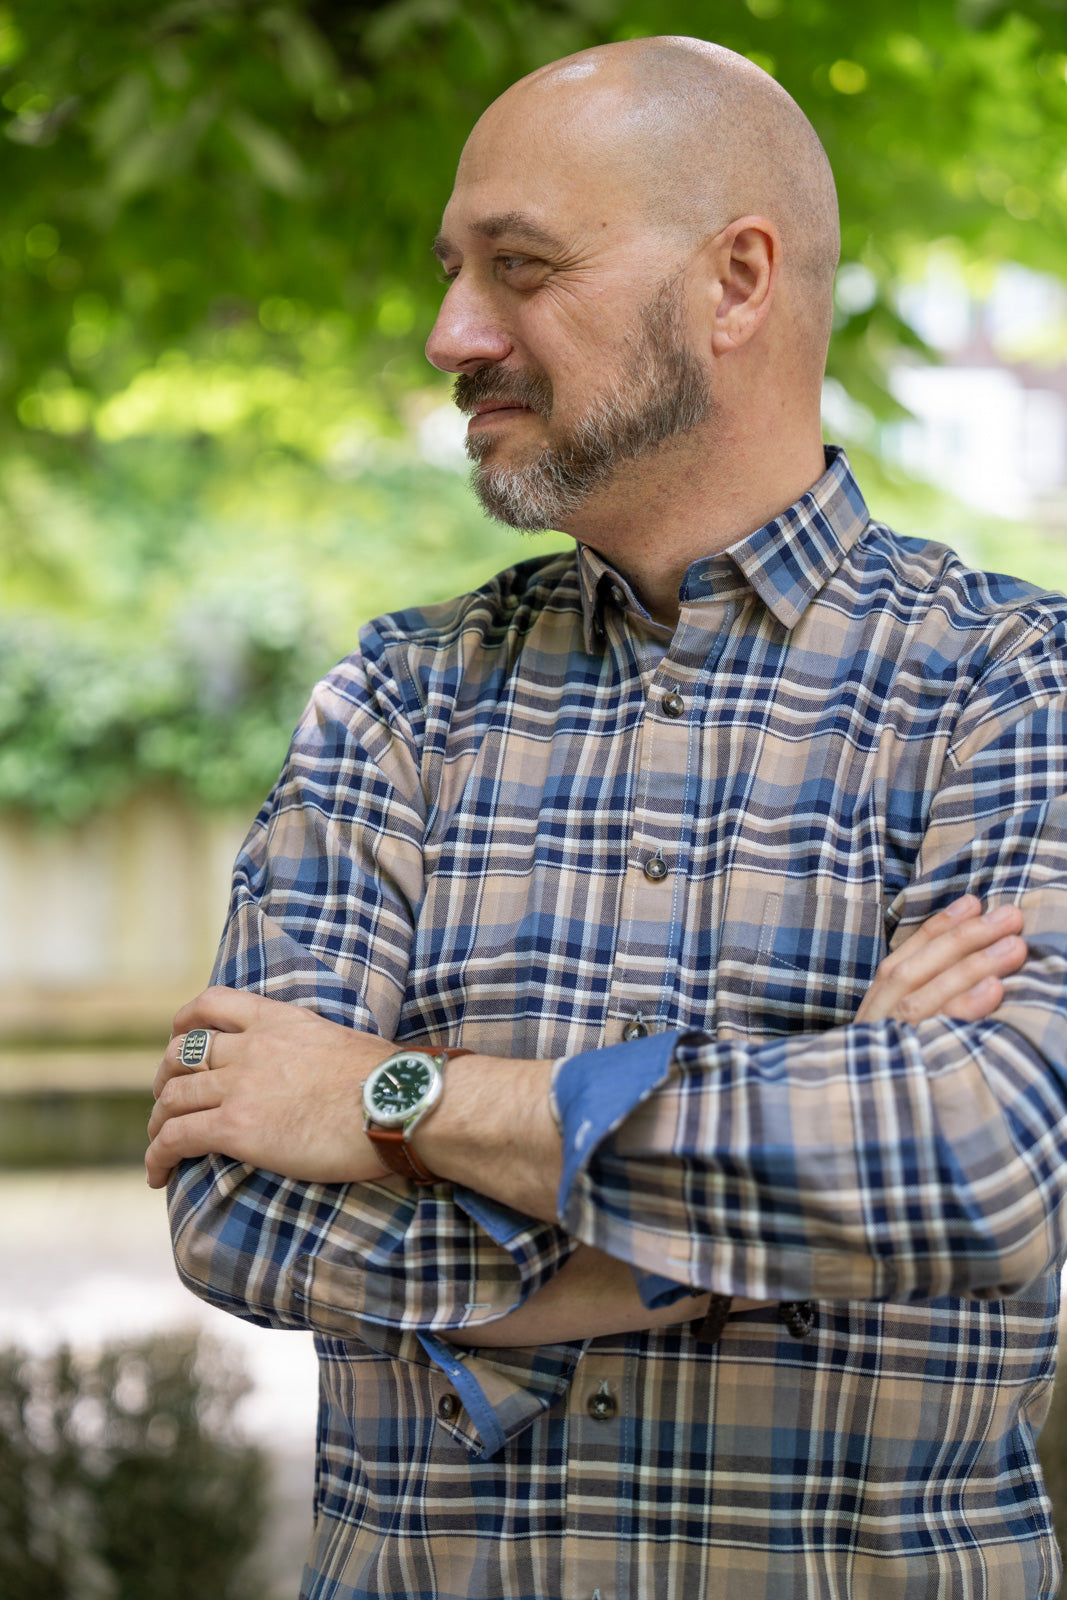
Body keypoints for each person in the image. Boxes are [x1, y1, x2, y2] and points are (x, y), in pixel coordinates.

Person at [146, 36, 1067, 1600]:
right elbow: (233, 1199)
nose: (451, 335)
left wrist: (392, 1101)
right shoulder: (398, 696)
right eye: (453, 272)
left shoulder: (1010, 685)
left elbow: (980, 1163)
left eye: (521, 268)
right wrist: (770, 1196)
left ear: (736, 282)